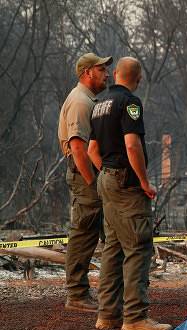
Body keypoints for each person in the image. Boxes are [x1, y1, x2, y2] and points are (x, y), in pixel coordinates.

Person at [88, 57, 172, 330]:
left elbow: (91, 151)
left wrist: (108, 173)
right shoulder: (131, 103)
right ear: (139, 77)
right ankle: (135, 317)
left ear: (114, 74)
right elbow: (132, 144)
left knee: (112, 247)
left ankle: (108, 314)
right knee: (138, 246)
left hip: (106, 180)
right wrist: (144, 182)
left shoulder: (99, 104)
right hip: (127, 183)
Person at [57, 52, 112, 312]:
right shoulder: (80, 102)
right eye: (102, 69)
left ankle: (102, 292)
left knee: (92, 230)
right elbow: (78, 148)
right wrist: (93, 183)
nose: (107, 73)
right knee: (83, 232)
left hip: (87, 173)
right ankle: (77, 295)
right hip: (85, 174)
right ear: (87, 72)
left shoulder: (87, 99)